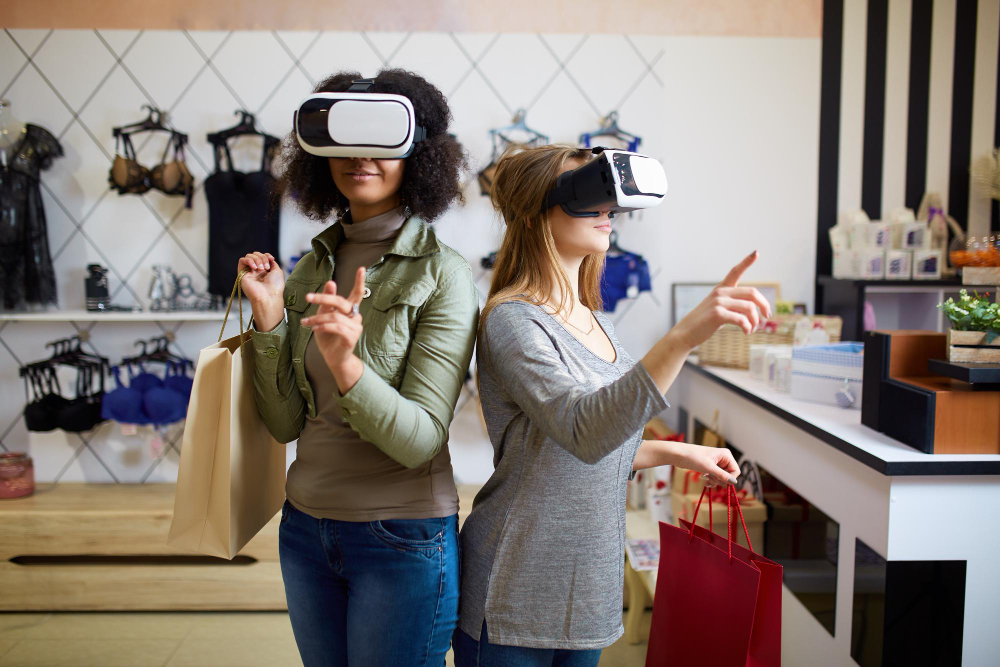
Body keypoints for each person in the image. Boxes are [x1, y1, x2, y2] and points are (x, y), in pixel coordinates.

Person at [455, 145, 768, 666]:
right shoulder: (512, 320)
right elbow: (584, 431)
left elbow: (599, 444)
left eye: (611, 202)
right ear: (537, 211)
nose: (608, 212)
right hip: (517, 585)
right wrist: (685, 336)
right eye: (589, 197)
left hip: (589, 589)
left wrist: (678, 453)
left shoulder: (598, 320)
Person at [238, 69, 478, 667]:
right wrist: (269, 318)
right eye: (343, 141)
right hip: (305, 532)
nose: (359, 157)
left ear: (419, 154)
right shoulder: (305, 268)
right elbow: (285, 422)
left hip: (401, 538)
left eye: (381, 140)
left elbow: (421, 441)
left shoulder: (442, 273)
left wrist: (347, 364)